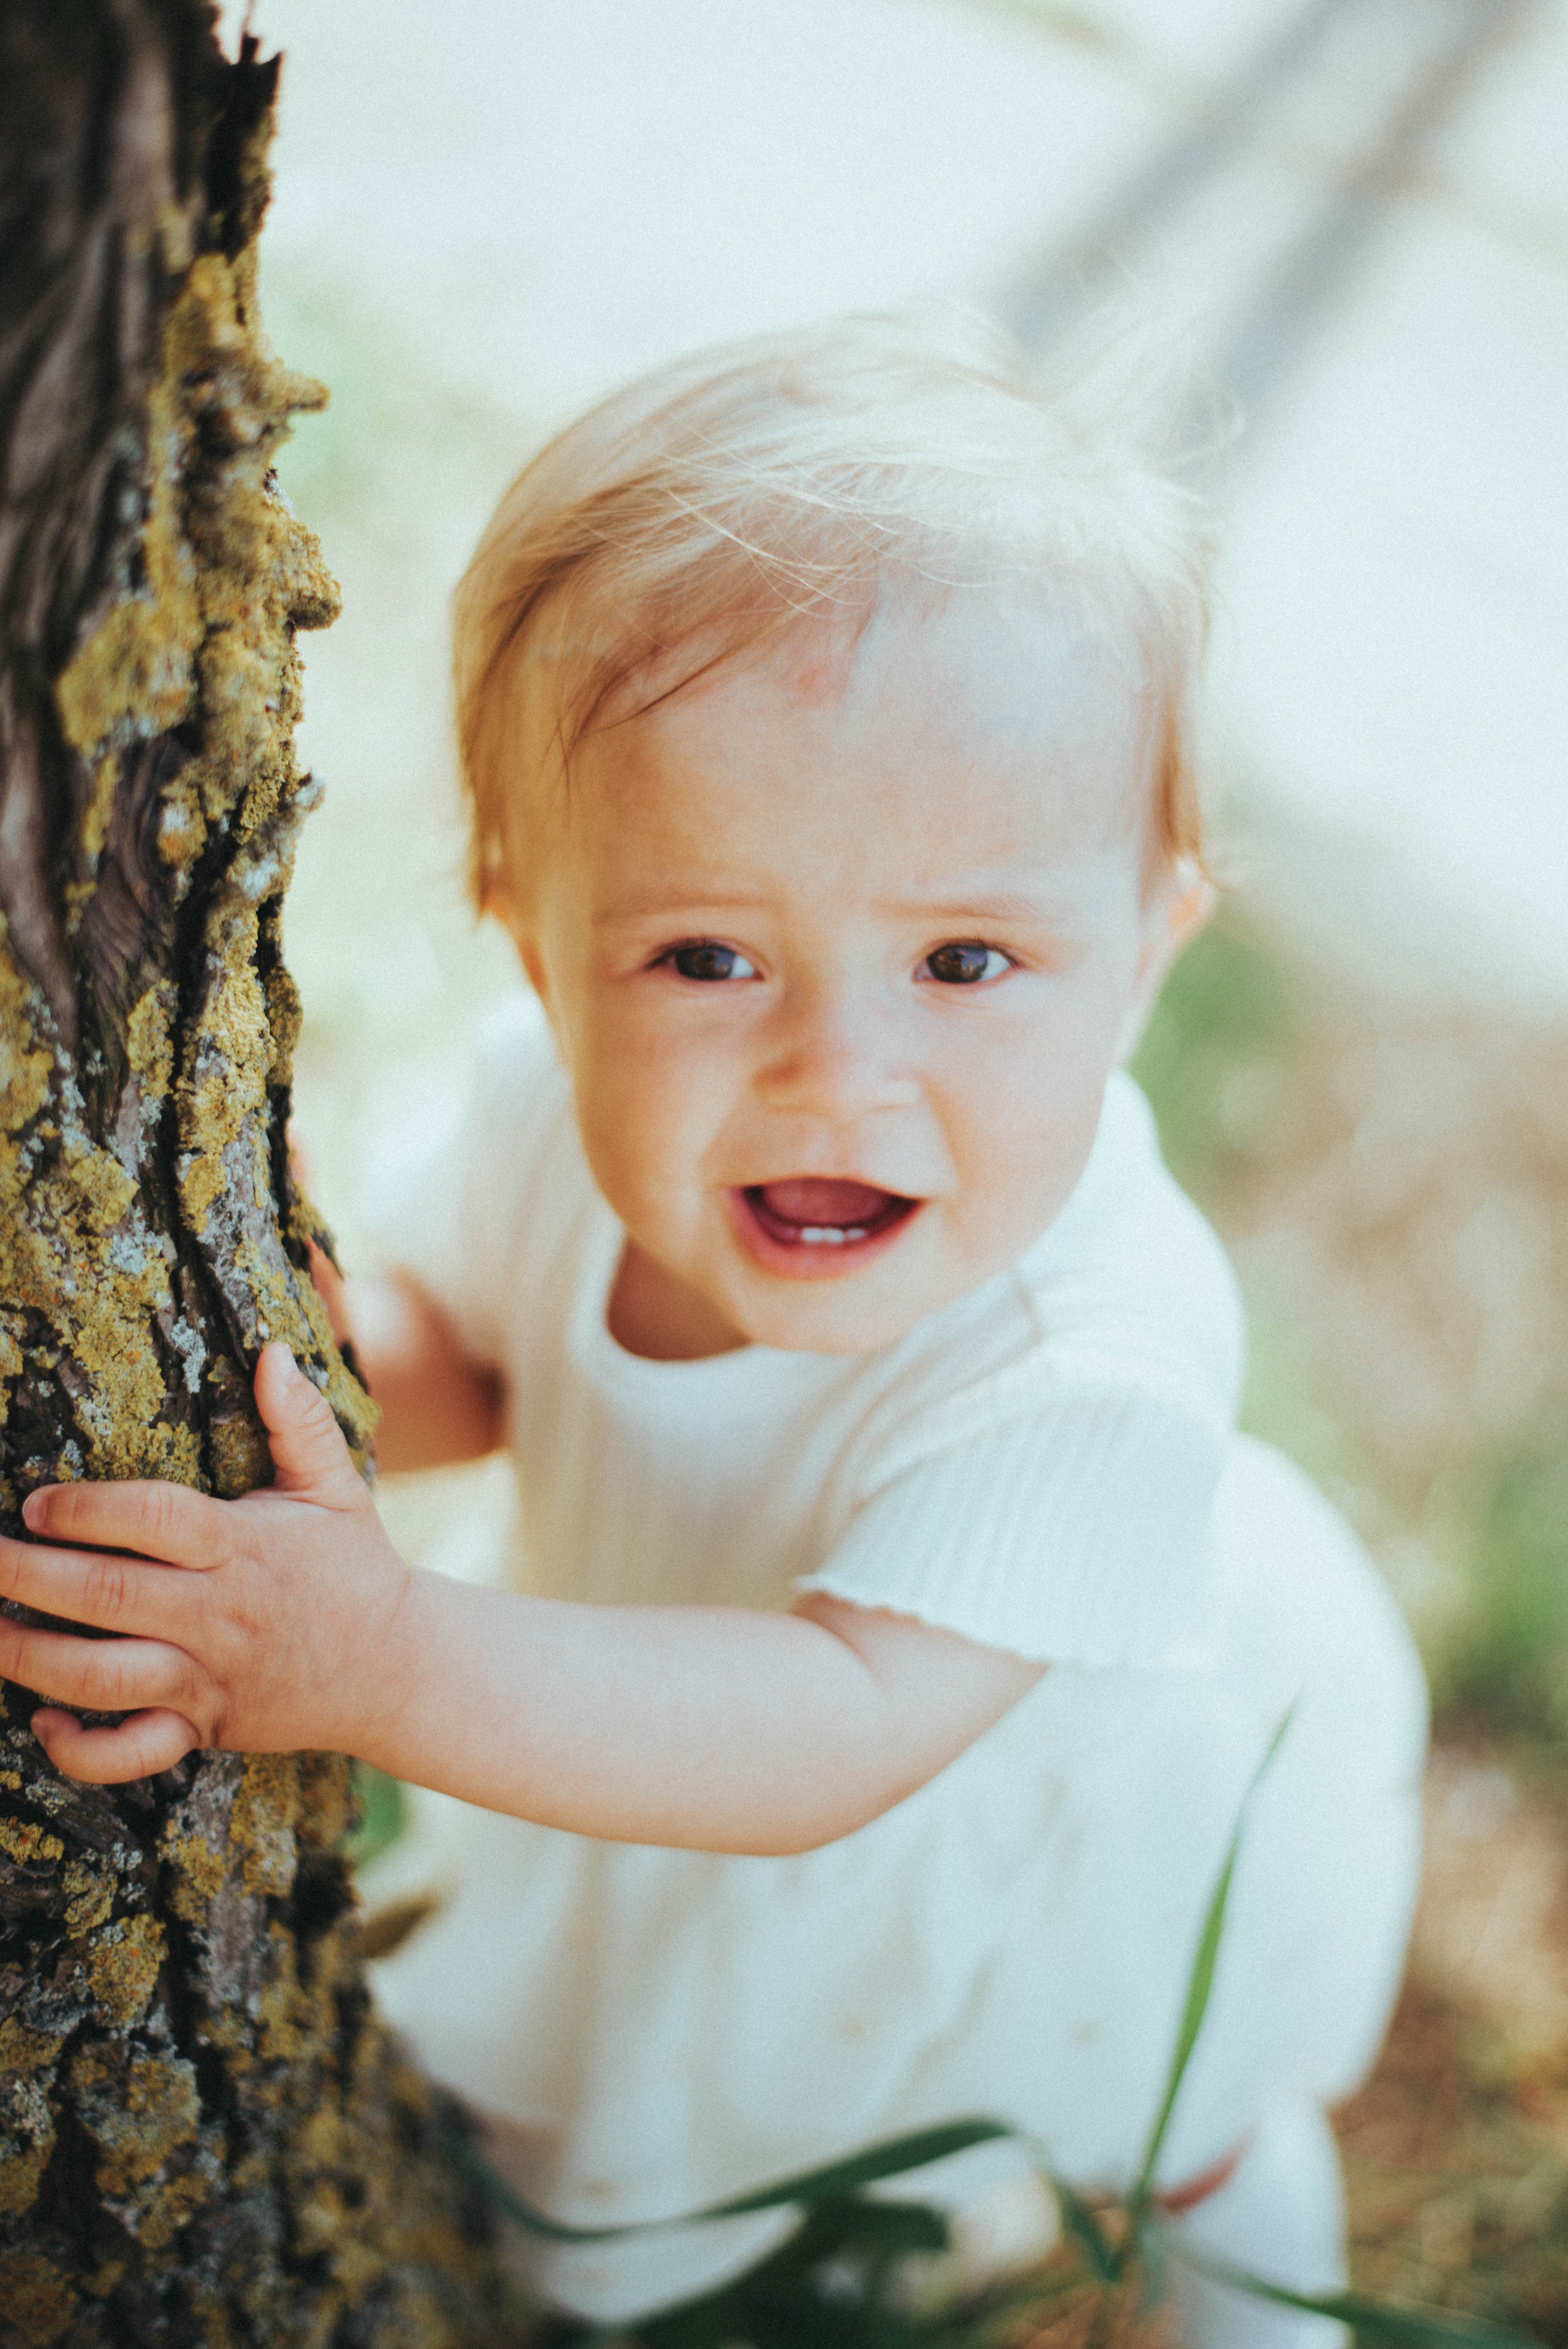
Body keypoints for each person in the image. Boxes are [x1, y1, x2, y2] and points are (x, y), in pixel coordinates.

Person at [2, 315, 1426, 2345]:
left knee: (1158, 2104)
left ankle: (1256, 2286)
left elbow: (834, 1724)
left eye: (965, 958)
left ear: (1143, 954)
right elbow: (476, 1356)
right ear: (536, 942)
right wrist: (293, 1347)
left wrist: (376, 1656)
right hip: (672, 1759)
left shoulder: (1095, 1362)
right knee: (685, 2067)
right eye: (704, 955)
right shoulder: (543, 1120)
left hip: (1019, 1815)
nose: (834, 1072)